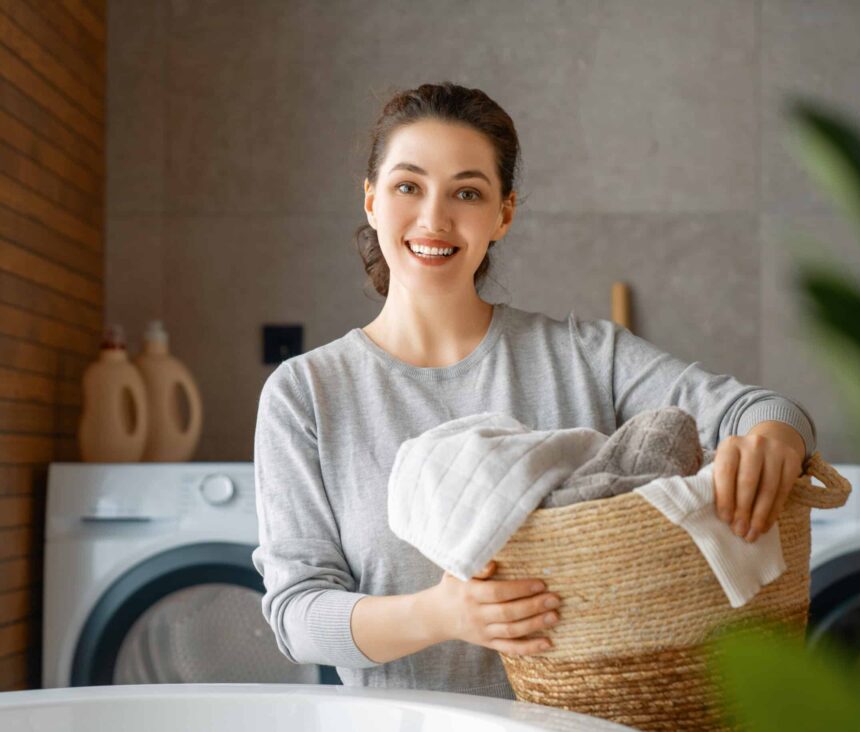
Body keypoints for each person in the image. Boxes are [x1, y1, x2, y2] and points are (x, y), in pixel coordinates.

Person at [252, 82, 817, 700]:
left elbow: (760, 409)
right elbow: (298, 616)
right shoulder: (306, 394)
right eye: (407, 186)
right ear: (371, 201)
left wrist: (772, 439)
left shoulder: (584, 355)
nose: (434, 219)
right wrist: (444, 615)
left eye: (467, 192)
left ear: (504, 214)